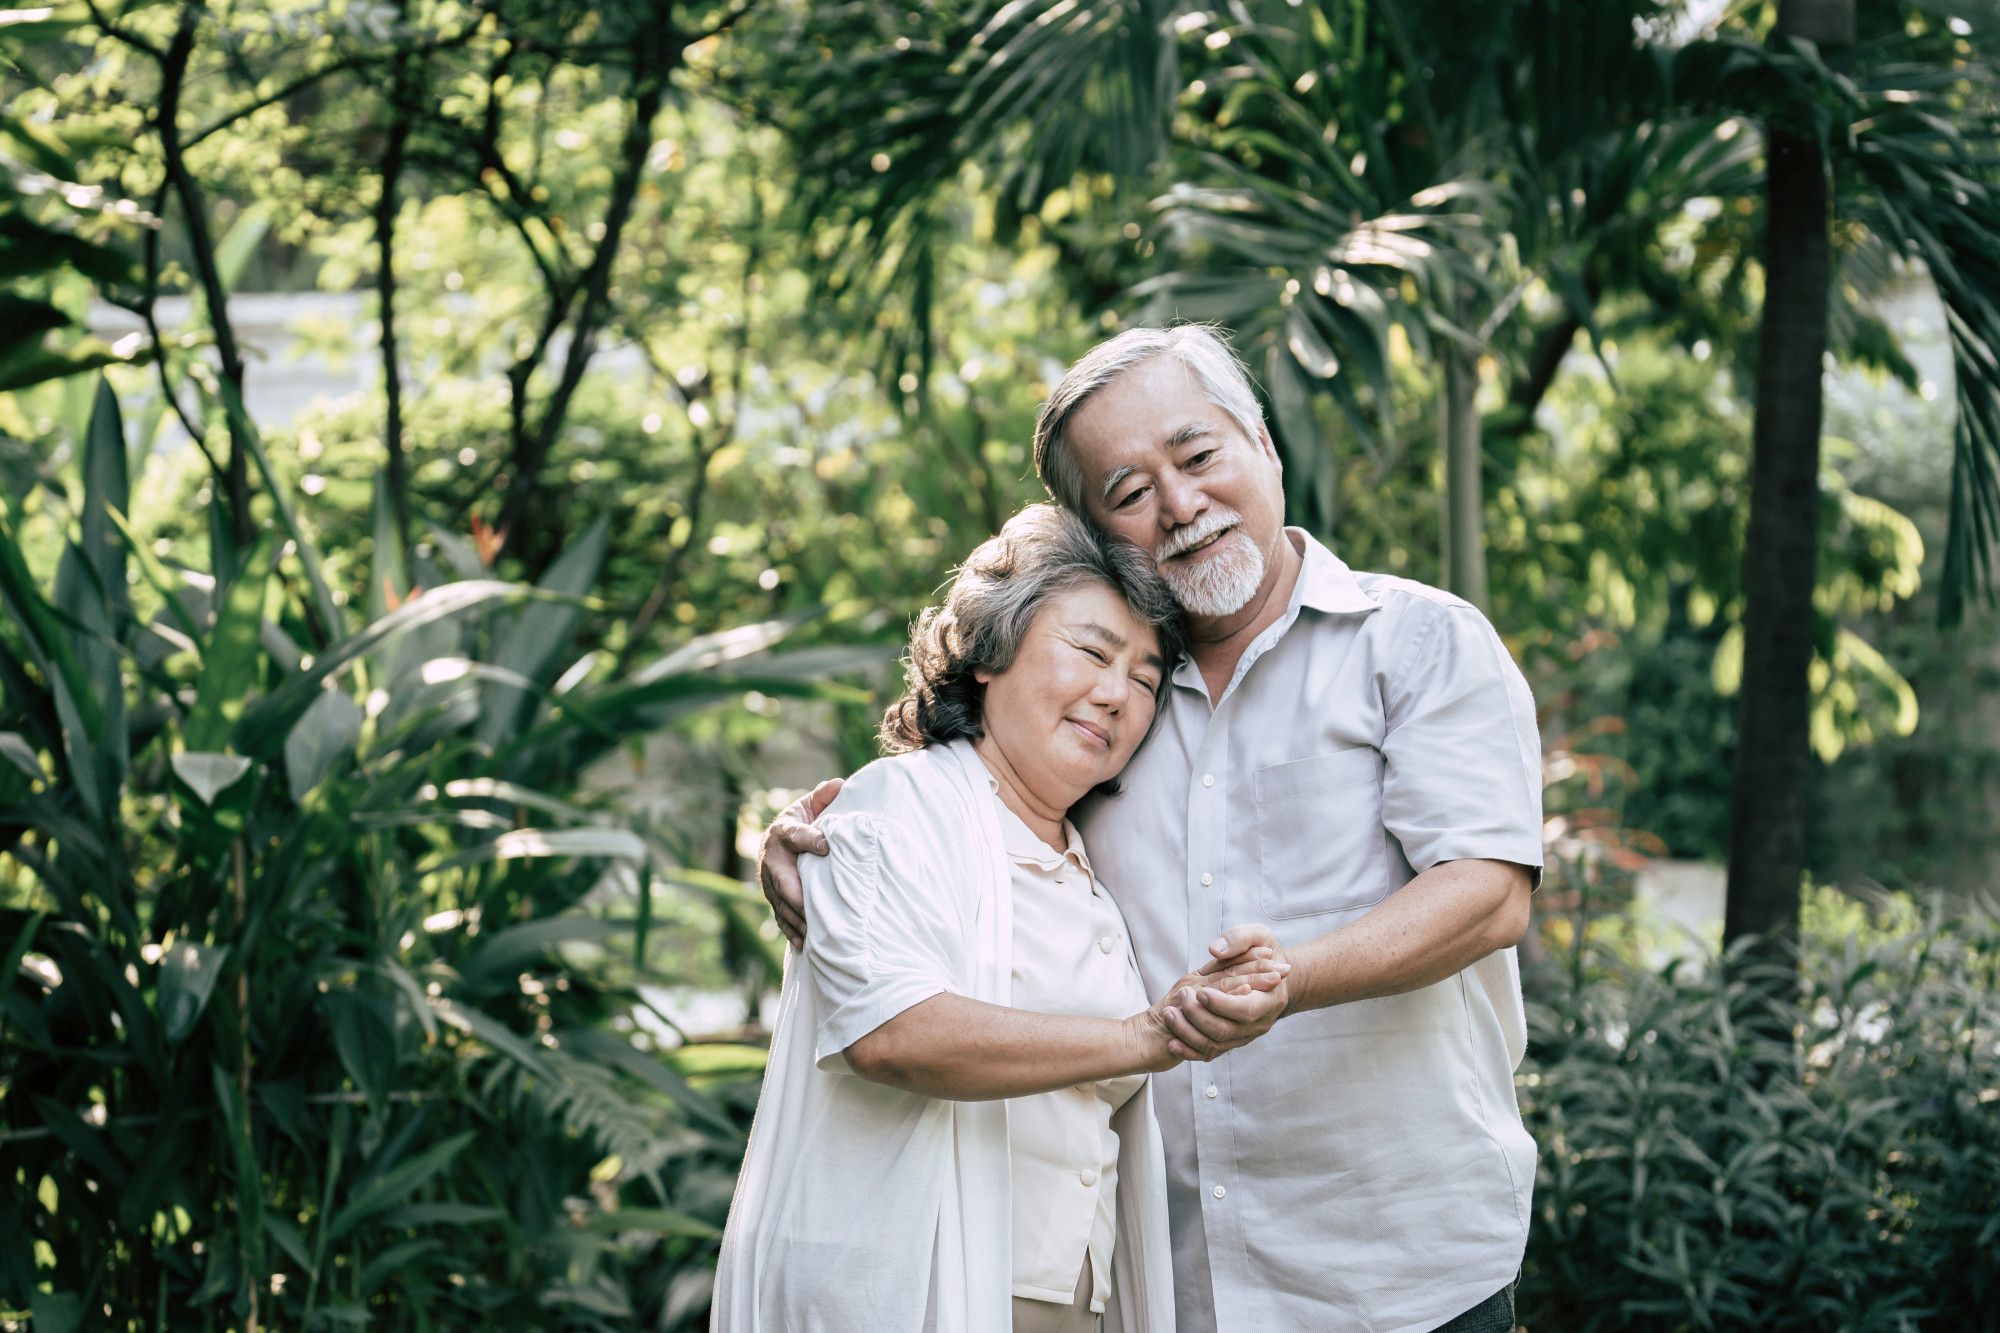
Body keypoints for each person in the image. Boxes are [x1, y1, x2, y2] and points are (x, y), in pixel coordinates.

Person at [762, 326, 1545, 1333]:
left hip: (1400, 1272)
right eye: (1127, 492)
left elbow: (1487, 891)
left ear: (1261, 442)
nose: (1178, 505)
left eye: (1197, 455)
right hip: (1174, 1285)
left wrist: (1288, 979)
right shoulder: (1098, 704)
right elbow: (950, 800)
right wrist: (808, 841)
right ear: (1093, 533)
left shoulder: (1416, 640)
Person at [713, 503, 1289, 1333]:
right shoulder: (896, 804)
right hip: (917, 1296)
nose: (1114, 694)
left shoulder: (1094, 865)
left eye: (1144, 678)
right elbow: (892, 1033)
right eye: (1091, 651)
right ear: (989, 651)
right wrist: (1151, 1035)